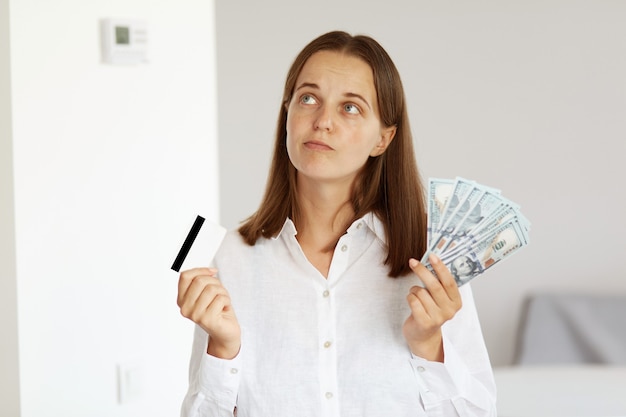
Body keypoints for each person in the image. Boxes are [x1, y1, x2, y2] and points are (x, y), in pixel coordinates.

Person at [177, 30, 497, 417]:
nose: (322, 121)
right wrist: (222, 349)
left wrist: (430, 346)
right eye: (308, 99)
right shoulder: (228, 259)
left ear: (384, 138)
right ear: (287, 117)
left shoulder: (433, 258)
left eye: (350, 107)